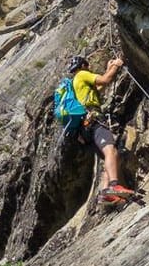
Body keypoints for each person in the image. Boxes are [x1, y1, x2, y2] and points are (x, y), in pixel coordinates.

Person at [57, 54, 136, 208]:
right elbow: (105, 80)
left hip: (83, 130)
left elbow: (98, 88)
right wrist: (117, 65)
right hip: (93, 121)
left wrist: (109, 68)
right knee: (110, 151)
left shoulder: (75, 84)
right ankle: (114, 186)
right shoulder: (83, 74)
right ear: (84, 65)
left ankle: (105, 193)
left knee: (110, 157)